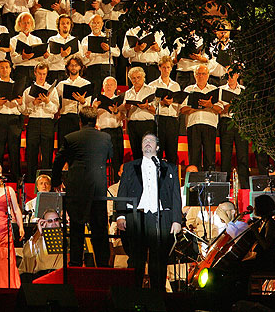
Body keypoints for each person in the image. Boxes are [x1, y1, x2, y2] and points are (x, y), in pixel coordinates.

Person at [116, 133, 183, 289]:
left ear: (157, 147)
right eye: (144, 140)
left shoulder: (170, 168)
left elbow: (175, 196)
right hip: (136, 215)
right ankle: (134, 294)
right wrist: (120, 215)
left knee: (159, 259)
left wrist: (176, 220)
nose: (147, 143)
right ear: (140, 146)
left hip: (161, 216)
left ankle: (158, 295)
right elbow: (122, 191)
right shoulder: (130, 166)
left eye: (151, 141)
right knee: (136, 258)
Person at [52, 106, 112, 267]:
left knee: (77, 227)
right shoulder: (105, 137)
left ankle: (76, 264)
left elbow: (58, 162)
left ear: (80, 121)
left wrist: (56, 181)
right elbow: (110, 157)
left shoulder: (71, 138)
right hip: (98, 187)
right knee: (99, 228)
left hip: (77, 187)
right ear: (96, 121)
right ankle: (103, 266)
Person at [22, 63, 60, 182]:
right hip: (33, 121)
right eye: (39, 73)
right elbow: (23, 110)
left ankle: (46, 182)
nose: (41, 76)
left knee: (47, 153)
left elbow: (55, 109)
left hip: (47, 122)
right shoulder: (28, 91)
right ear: (35, 73)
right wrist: (34, 103)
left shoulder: (52, 90)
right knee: (31, 153)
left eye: (44, 74)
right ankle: (31, 182)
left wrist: (47, 101)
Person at [179, 64, 219, 171]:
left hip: (209, 125)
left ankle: (209, 183)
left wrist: (210, 105)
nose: (201, 76)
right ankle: (194, 184)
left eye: (203, 74)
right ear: (195, 75)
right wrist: (197, 108)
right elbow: (182, 109)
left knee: (209, 156)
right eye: (198, 74)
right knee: (194, 156)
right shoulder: (189, 89)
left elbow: (219, 109)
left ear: (208, 75)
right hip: (193, 125)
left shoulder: (214, 89)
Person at [215, 70, 250, 186]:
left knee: (243, 155)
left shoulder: (243, 90)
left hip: (240, 122)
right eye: (228, 75)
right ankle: (224, 185)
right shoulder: (221, 89)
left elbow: (247, 109)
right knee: (226, 155)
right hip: (226, 122)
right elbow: (219, 109)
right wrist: (231, 106)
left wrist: (234, 106)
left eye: (233, 74)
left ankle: (244, 186)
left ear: (237, 75)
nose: (230, 77)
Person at [150, 56, 181, 165]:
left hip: (172, 119)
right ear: (159, 68)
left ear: (171, 68)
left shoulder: (176, 85)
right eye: (164, 67)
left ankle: (171, 179)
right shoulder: (153, 85)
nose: (166, 70)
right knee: (158, 150)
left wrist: (173, 102)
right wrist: (161, 102)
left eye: (168, 67)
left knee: (172, 151)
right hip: (159, 119)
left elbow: (179, 104)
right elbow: (151, 103)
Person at [55, 55, 92, 149]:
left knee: (77, 146)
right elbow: (55, 102)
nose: (73, 67)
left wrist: (82, 101)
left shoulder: (86, 84)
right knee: (63, 146)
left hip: (78, 118)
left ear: (80, 67)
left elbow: (88, 105)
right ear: (68, 67)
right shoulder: (61, 84)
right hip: (64, 117)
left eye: (76, 65)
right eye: (71, 65)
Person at [93, 76, 125, 183]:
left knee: (117, 160)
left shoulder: (120, 100)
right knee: (101, 161)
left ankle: (116, 186)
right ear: (103, 86)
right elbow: (91, 117)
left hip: (116, 131)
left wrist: (116, 111)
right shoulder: (97, 100)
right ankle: (101, 186)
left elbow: (123, 117)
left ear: (115, 87)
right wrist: (94, 108)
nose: (109, 87)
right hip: (102, 132)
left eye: (111, 85)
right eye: (107, 84)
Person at [19, 208, 64, 282]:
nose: (54, 223)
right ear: (43, 223)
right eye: (50, 221)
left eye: (56, 220)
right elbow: (27, 254)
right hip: (42, 275)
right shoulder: (38, 239)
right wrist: (39, 232)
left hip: (60, 275)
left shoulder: (65, 238)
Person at [123, 67, 157, 160]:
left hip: (147, 124)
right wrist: (127, 107)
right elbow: (125, 112)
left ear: (143, 78)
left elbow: (156, 111)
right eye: (133, 78)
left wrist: (147, 106)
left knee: (149, 153)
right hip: (133, 125)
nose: (136, 80)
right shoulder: (128, 93)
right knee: (136, 153)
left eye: (138, 77)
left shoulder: (151, 90)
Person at [81, 14, 117, 98]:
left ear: (102, 25)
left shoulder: (108, 37)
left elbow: (118, 53)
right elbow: (83, 60)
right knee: (94, 94)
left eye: (98, 23)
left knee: (109, 93)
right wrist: (87, 56)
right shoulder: (85, 40)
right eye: (94, 23)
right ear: (90, 25)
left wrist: (109, 49)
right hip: (93, 68)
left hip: (107, 67)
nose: (96, 25)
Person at [10, 11, 50, 89]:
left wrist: (45, 56)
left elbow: (40, 59)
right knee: (20, 94)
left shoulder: (37, 40)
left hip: (34, 70)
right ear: (19, 24)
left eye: (28, 23)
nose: (26, 25)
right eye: (24, 23)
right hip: (21, 71)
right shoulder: (14, 40)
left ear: (31, 24)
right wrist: (23, 57)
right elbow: (13, 59)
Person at [46, 14, 78, 84]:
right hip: (55, 72)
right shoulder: (52, 39)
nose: (65, 25)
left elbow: (80, 58)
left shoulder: (75, 41)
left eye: (67, 23)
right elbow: (49, 59)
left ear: (70, 26)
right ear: (59, 26)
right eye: (63, 23)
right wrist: (61, 56)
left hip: (70, 73)